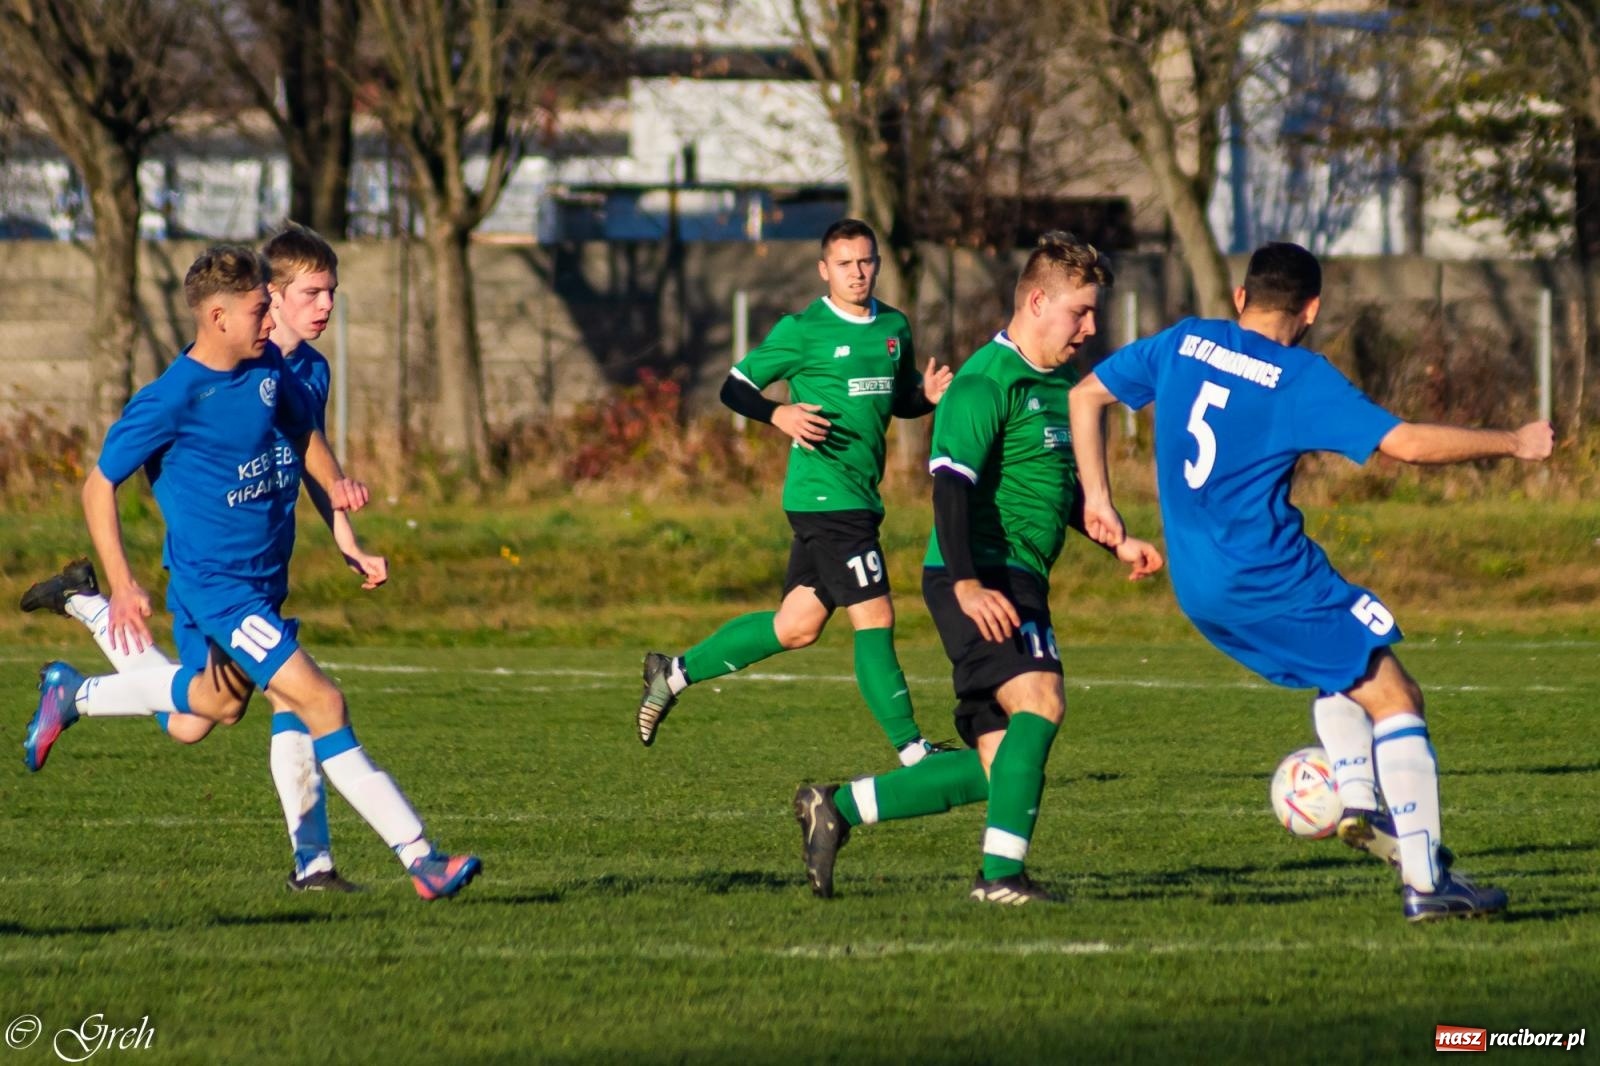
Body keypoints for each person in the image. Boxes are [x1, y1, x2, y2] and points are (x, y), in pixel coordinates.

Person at [1067, 240, 1553, 922]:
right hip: (1268, 575)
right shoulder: (1299, 377)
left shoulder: (1184, 342)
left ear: (1240, 299)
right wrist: (1512, 442)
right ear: (1313, 308)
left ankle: (1356, 799)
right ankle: (1426, 883)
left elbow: (1086, 395)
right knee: (1397, 695)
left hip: (1198, 587)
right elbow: (1407, 444)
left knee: (1341, 665)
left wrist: (1099, 500)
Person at [20, 244, 479, 901]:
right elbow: (98, 488)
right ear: (217, 317)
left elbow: (301, 429)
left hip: (261, 580)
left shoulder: (268, 366)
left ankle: (73, 690)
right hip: (219, 590)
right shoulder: (171, 398)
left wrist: (340, 506)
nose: (273, 321)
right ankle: (422, 860)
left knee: (206, 711)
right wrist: (124, 585)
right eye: (262, 308)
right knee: (319, 700)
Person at [793, 232, 1163, 905]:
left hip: (1017, 575)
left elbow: (1050, 486)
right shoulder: (984, 381)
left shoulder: (1055, 386)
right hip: (982, 572)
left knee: (1001, 765)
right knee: (1042, 701)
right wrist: (966, 582)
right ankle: (999, 880)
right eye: (1079, 312)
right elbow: (951, 486)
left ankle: (838, 807)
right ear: (1037, 299)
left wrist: (1115, 539)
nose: (1090, 327)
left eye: (1093, 314)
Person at [635, 219, 953, 766]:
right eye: (846, 263)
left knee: (796, 627)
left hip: (857, 497)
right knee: (875, 617)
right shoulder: (803, 330)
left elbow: (895, 400)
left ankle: (674, 672)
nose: (858, 272)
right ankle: (914, 751)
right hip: (826, 499)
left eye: (867, 261)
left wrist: (923, 396)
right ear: (824, 270)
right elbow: (733, 386)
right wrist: (778, 412)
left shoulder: (893, 326)